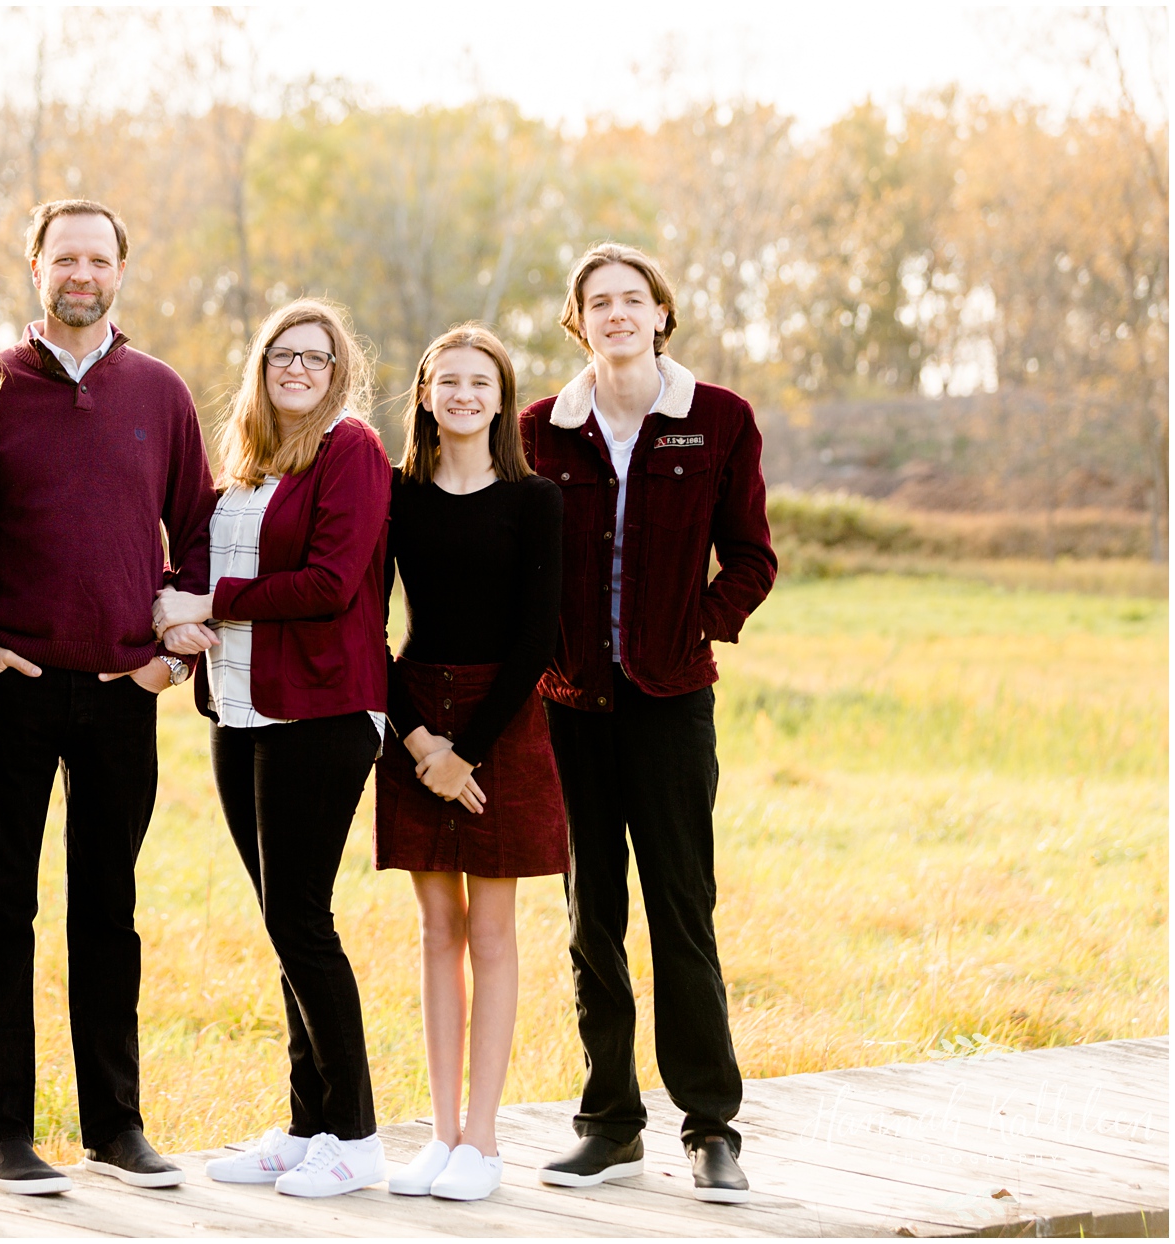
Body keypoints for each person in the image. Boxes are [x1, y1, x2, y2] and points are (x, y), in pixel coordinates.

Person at [0, 199, 215, 1195]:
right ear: (34, 267)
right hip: (9, 686)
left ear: (119, 270)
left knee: (109, 909)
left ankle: (116, 1122)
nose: (81, 272)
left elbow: (197, 530)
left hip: (121, 690)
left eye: (98, 257)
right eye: (64, 255)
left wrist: (169, 660)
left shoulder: (159, 390)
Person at [520, 242, 775, 1204]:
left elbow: (752, 558)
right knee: (592, 919)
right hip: (570, 708)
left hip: (673, 707)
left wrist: (690, 628)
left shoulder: (718, 421)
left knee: (682, 912)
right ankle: (609, 1123)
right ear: (577, 320)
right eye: (599, 301)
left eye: (634, 299)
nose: (617, 313)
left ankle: (710, 1127)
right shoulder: (541, 429)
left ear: (661, 313)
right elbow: (517, 559)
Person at [152, 298, 392, 1199]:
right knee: (282, 921)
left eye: (317, 358)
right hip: (242, 712)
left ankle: (358, 1136)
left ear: (339, 374)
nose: (298, 369)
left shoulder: (352, 451)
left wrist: (210, 605)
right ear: (259, 366)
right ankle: (307, 1126)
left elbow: (330, 584)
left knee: (302, 918)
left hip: (323, 713)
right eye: (282, 356)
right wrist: (174, 617)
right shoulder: (246, 462)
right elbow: (197, 578)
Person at [376, 324, 566, 1202]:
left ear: (501, 397)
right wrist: (420, 744)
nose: (462, 394)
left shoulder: (536, 501)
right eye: (446, 380)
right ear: (424, 395)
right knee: (434, 931)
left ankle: (483, 1143)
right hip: (415, 712)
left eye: (479, 382)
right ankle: (440, 1135)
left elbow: (536, 640)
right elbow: (363, 630)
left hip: (502, 720)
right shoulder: (394, 494)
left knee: (491, 932)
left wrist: (468, 753)